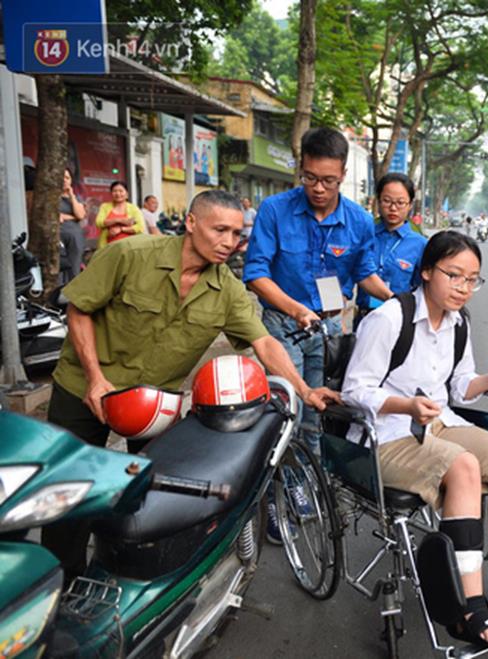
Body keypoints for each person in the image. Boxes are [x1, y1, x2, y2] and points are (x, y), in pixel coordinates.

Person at [43, 189, 338, 581]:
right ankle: (58, 587)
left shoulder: (228, 291)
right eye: (220, 230)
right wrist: (96, 379)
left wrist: (303, 390)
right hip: (83, 388)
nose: (229, 243)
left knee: (146, 497)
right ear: (191, 223)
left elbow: (264, 342)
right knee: (66, 496)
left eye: (236, 234)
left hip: (150, 407)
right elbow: (79, 308)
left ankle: (121, 580)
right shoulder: (130, 254)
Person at [343, 231, 488, 649]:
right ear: (426, 271)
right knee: (464, 465)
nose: (463, 288)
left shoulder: (459, 323)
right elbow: (354, 390)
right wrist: (405, 406)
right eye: (454, 275)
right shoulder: (390, 318)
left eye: (472, 279)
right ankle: (468, 605)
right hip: (385, 435)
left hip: (438, 422)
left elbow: (459, 387)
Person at [243, 127, 392, 454]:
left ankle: (314, 480)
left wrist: (396, 301)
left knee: (318, 411)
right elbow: (255, 273)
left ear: (343, 174)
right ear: (301, 168)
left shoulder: (359, 221)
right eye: (310, 178)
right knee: (289, 409)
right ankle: (282, 482)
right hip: (283, 324)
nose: (319, 189)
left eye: (329, 180)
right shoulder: (274, 210)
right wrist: (295, 309)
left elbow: (364, 272)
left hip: (328, 329)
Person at [355, 173, 428, 323]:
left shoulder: (420, 244)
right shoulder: (365, 235)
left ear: (410, 205)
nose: (393, 208)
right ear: (378, 201)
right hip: (364, 318)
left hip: (399, 321)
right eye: (387, 201)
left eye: (400, 202)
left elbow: (423, 289)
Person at [94, 180, 146, 248]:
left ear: (127, 194)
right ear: (111, 193)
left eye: (121, 191)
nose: (118, 194)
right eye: (115, 191)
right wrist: (118, 220)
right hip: (107, 248)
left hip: (129, 247)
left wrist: (121, 229)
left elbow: (140, 227)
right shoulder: (105, 206)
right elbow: (98, 223)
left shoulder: (133, 208)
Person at [59, 169, 87, 280]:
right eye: (62, 177)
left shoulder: (76, 198)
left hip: (75, 237)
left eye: (67, 178)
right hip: (58, 235)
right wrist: (73, 217)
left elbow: (80, 215)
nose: (64, 180)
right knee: (59, 267)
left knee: (74, 267)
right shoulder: (51, 197)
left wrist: (71, 195)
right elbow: (55, 217)